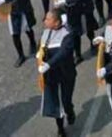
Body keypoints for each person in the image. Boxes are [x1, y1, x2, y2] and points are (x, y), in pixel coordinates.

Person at [38, 9, 77, 137]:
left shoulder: (68, 34)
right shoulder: (45, 33)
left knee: (65, 101)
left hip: (65, 73)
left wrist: (48, 64)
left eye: (48, 19)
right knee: (56, 102)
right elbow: (42, 48)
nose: (45, 21)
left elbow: (63, 53)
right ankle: (60, 128)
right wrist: (40, 55)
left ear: (56, 23)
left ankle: (69, 110)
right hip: (51, 76)